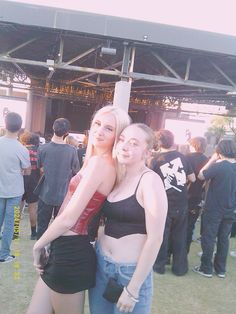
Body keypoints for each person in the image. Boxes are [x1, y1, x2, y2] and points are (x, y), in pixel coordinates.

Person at [27, 105, 131, 314]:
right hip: (65, 246)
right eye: (97, 124)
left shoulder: (101, 163)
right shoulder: (96, 160)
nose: (99, 131)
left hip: (71, 253)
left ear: (118, 135)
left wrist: (38, 244)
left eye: (109, 128)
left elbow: (69, 217)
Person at [89, 123, 168, 314]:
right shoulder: (118, 177)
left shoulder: (150, 181)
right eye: (122, 140)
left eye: (133, 143)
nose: (124, 146)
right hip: (101, 266)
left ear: (147, 152)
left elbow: (156, 238)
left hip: (129, 273)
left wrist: (132, 289)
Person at [150, 129, 195, 276]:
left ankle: (159, 266)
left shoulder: (155, 160)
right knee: (180, 236)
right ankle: (180, 268)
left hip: (163, 202)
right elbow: (193, 178)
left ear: (159, 142)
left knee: (161, 235)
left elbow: (150, 182)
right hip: (182, 202)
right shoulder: (183, 157)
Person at [193, 140, 236, 278]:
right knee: (224, 239)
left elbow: (201, 175)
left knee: (209, 238)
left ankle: (206, 268)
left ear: (219, 151)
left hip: (214, 209)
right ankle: (220, 270)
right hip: (230, 209)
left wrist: (211, 160)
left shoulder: (219, 166)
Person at [36, 118, 80, 239]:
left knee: (42, 226)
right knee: (59, 227)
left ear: (53, 128)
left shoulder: (42, 148)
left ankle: (40, 252)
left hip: (45, 193)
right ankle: (54, 252)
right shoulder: (72, 151)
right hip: (63, 195)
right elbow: (76, 171)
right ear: (67, 133)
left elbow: (40, 167)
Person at [0, 112, 31, 263]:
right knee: (10, 224)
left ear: (5, 125)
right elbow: (27, 170)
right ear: (20, 129)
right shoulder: (22, 149)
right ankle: (4, 254)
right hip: (15, 191)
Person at [186, 137, 208, 253]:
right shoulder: (207, 160)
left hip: (181, 197)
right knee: (189, 228)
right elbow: (206, 182)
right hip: (196, 197)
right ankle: (183, 258)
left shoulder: (185, 158)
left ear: (193, 145)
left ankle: (168, 255)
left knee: (175, 227)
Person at [19, 131, 41, 240]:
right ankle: (33, 233)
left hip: (19, 181)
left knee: (18, 207)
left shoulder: (20, 150)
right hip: (34, 182)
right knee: (33, 208)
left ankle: (14, 232)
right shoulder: (39, 152)